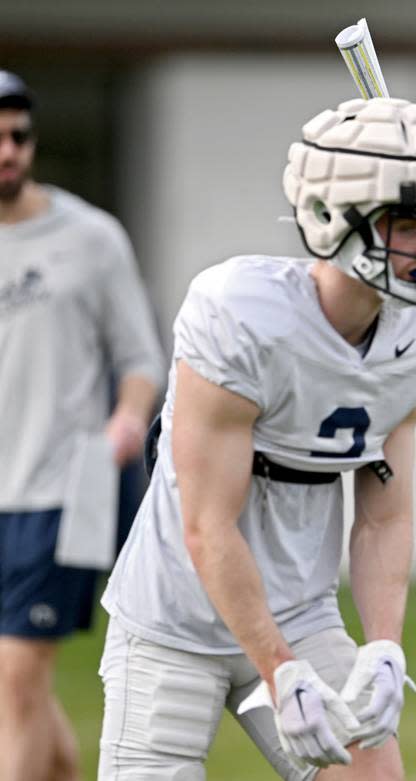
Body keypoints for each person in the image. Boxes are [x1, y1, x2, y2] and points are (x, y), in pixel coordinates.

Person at [97, 95, 416, 780]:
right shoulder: (240, 314)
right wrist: (279, 669)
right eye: (407, 224)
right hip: (174, 616)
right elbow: (208, 524)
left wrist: (385, 645)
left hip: (300, 609)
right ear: (334, 218)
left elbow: (384, 513)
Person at [0, 70, 164, 781]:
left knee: (16, 681)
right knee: (16, 693)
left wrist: (127, 421)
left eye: (17, 136)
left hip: (57, 493)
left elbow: (140, 360)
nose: (7, 150)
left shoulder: (92, 238)